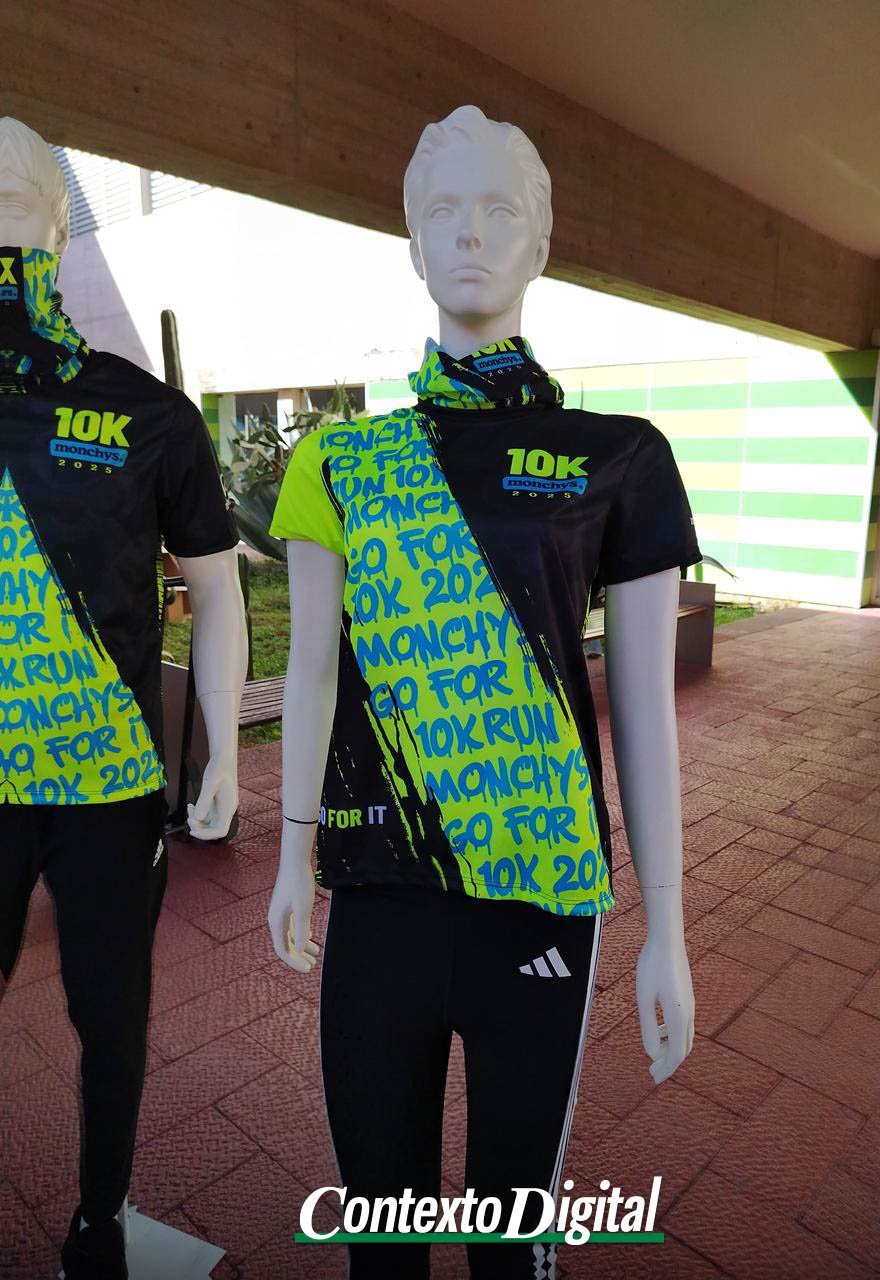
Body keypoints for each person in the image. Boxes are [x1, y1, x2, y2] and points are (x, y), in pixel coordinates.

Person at [267, 105, 700, 1279]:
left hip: (539, 898)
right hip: (378, 894)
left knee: (510, 1247)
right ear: (412, 241)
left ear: (541, 243)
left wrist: (665, 923)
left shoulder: (621, 456)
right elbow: (314, 668)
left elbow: (644, 709)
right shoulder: (340, 459)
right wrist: (291, 850)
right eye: (444, 210)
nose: (469, 233)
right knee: (382, 1240)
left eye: (498, 208)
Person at [0, 116, 247, 1280]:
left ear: (60, 228)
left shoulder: (148, 416)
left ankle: (100, 1222)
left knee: (112, 1019)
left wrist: (223, 752)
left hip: (110, 786)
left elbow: (219, 588)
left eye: (15, 199)